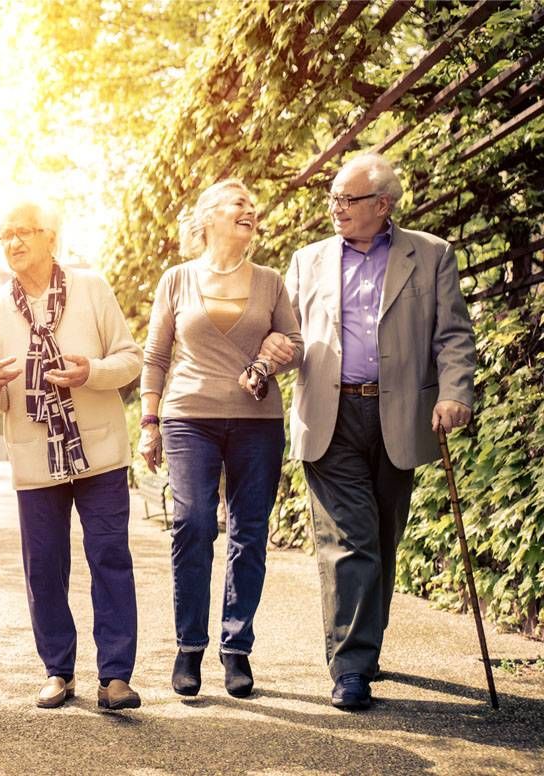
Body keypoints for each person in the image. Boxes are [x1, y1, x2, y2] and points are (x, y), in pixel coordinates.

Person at [262, 151, 475, 710]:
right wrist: (274, 354)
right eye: (332, 198)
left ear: (384, 205)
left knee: (383, 537)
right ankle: (351, 666)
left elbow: (453, 335)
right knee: (350, 541)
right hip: (330, 415)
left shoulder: (430, 255)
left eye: (348, 199)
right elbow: (285, 333)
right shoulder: (306, 261)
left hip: (398, 413)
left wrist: (454, 392)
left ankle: (363, 644)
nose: (336, 208)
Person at [0, 200, 144, 710]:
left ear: (51, 237)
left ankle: (115, 676)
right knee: (43, 567)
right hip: (35, 455)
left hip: (99, 451)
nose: (14, 243)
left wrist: (92, 371)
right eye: (4, 235)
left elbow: (129, 359)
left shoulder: (91, 287)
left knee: (109, 557)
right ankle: (57, 671)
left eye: (23, 231)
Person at [138, 179, 303, 699]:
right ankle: (189, 647)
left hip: (257, 421)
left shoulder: (271, 281)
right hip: (189, 415)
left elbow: (296, 344)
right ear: (208, 217)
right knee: (192, 523)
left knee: (250, 532)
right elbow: (156, 355)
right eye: (239, 204)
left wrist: (278, 349)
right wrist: (148, 422)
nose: (249, 211)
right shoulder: (177, 279)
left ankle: (237, 649)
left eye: (253, 207)